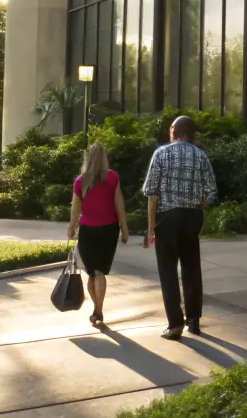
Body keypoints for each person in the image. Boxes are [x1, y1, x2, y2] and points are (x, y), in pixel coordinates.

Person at [142, 115, 217, 340]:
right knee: (191, 268)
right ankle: (193, 320)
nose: (169, 131)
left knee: (168, 270)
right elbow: (212, 192)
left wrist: (150, 229)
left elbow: (151, 194)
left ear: (177, 131)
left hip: (168, 217)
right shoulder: (200, 155)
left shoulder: (161, 154)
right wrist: (202, 201)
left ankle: (174, 324)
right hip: (192, 217)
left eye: (172, 128)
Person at [68, 142, 128, 327]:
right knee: (100, 271)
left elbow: (75, 210)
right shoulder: (112, 178)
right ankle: (98, 309)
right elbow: (120, 207)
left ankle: (97, 309)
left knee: (92, 273)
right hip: (109, 229)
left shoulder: (80, 181)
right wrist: (124, 229)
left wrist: (71, 228)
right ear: (104, 159)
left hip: (88, 230)